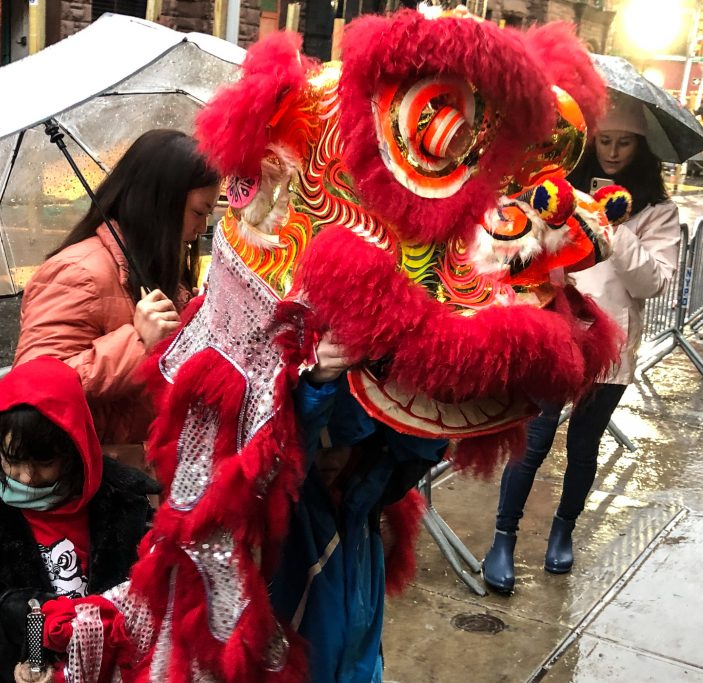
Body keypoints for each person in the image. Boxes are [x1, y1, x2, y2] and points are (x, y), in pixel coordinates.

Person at [482, 94, 682, 594]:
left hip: (610, 348)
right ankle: (502, 539)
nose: (612, 152)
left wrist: (615, 231)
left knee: (583, 446)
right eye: (605, 141)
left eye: (625, 143)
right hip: (556, 333)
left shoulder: (659, 212)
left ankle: (562, 532)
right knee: (532, 442)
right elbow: (528, 254)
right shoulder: (560, 192)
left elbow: (654, 284)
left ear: (642, 149)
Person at [0, 357, 158, 682]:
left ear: (74, 447)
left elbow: (151, 578)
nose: (27, 476)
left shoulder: (122, 499)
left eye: (45, 461)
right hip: (20, 664)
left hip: (114, 664)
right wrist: (36, 632)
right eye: (13, 460)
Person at [14, 129, 221, 464]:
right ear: (160, 203)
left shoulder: (151, 267)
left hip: (152, 472)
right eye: (199, 212)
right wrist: (137, 341)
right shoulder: (76, 272)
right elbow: (33, 393)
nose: (202, 227)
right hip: (101, 480)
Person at [270, 335, 445, 682]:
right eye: (319, 447)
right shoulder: (290, 505)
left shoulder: (366, 492)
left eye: (340, 446)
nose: (329, 458)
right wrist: (316, 384)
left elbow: (418, 435)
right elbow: (289, 458)